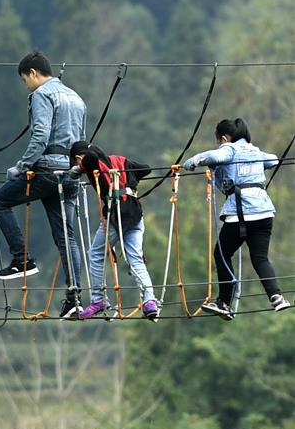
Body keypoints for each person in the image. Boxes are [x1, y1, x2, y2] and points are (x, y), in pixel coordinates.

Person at [0, 50, 86, 320]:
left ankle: (21, 258)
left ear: (33, 73)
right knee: (67, 237)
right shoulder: (76, 98)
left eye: (25, 80)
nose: (27, 85)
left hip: (45, 172)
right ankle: (74, 299)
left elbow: (41, 134)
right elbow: (82, 141)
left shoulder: (42, 94)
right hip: (70, 173)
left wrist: (22, 166)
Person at [183, 118, 290, 320]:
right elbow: (274, 160)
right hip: (264, 212)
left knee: (221, 254)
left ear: (224, 138)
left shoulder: (229, 149)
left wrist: (193, 161)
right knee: (260, 258)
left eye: (219, 141)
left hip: (241, 213)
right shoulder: (256, 151)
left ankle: (224, 301)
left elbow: (216, 156)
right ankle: (276, 297)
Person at [69, 141, 158, 320]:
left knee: (95, 253)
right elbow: (146, 169)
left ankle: (98, 300)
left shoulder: (91, 162)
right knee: (135, 258)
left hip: (116, 214)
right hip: (135, 211)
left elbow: (91, 157)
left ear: (79, 158)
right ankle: (150, 301)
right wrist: (130, 182)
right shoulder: (119, 160)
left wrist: (79, 169)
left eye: (77, 162)